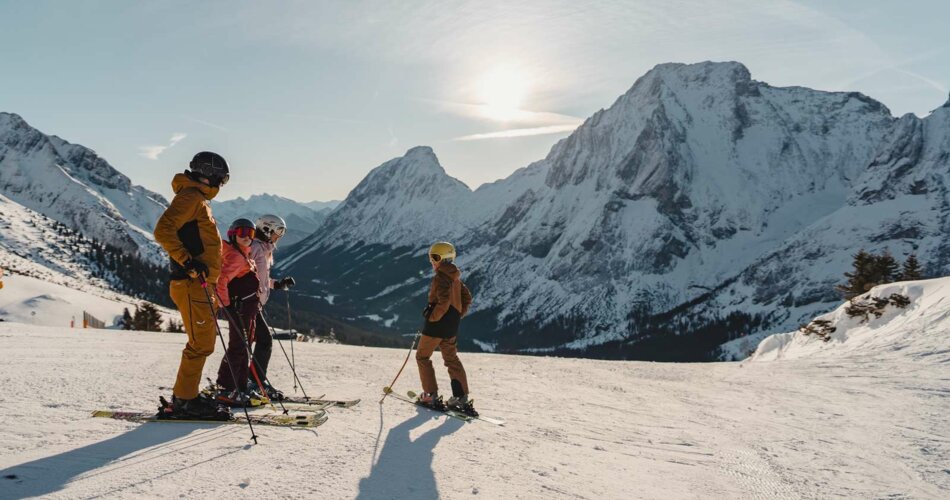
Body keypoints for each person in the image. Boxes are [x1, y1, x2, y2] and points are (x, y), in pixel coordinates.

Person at [153, 151, 230, 418]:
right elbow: (162, 230)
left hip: (200, 283)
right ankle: (185, 401)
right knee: (201, 344)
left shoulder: (196, 199)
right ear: (209, 175)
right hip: (191, 282)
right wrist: (188, 262)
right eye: (221, 179)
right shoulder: (190, 197)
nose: (221, 185)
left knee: (203, 342)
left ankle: (187, 396)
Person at [415, 241, 477, 416]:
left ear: (445, 258)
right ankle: (460, 398)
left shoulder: (441, 277)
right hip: (451, 327)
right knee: (451, 359)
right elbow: (467, 298)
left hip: (436, 327)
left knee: (422, 356)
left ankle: (430, 395)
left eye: (435, 258)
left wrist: (431, 316)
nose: (432, 262)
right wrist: (457, 315)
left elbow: (443, 302)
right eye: (430, 258)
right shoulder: (455, 277)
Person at [246, 214, 295, 401]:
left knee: (255, 341)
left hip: (254, 302)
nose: (279, 237)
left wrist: (277, 284)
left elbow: (262, 279)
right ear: (267, 229)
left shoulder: (265, 248)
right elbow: (245, 274)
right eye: (278, 232)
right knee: (262, 341)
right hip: (248, 302)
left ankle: (252, 380)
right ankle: (252, 381)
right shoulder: (255, 248)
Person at [213, 218, 260, 406]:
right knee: (238, 346)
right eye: (243, 232)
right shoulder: (236, 256)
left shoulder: (241, 252)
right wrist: (227, 305)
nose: (247, 237)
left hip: (244, 307)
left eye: (251, 233)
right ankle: (227, 388)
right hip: (238, 308)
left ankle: (239, 386)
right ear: (233, 234)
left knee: (243, 345)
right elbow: (221, 280)